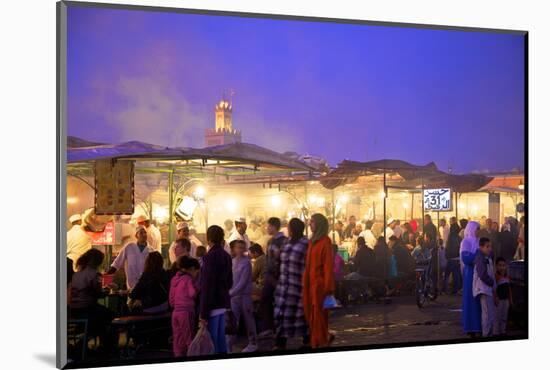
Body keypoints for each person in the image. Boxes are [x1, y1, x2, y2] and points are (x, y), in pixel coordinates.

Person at [274, 218, 310, 350]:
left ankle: (307, 341)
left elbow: (310, 264)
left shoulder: (306, 243)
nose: (287, 229)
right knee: (281, 315)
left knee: (301, 316)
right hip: (284, 286)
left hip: (299, 286)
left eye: (289, 227)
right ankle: (280, 344)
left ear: (294, 229)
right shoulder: (287, 242)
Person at [69, 249, 115, 350]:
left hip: (74, 311)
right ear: (97, 261)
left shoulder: (76, 274)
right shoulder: (94, 274)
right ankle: (107, 347)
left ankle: (85, 343)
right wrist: (108, 288)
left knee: (102, 317)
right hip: (88, 309)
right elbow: (99, 294)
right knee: (111, 316)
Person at [303, 213, 335, 348]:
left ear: (319, 224)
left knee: (319, 314)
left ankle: (320, 341)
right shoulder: (312, 241)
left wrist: (328, 288)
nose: (310, 224)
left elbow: (328, 266)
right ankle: (319, 339)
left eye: (312, 222)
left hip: (320, 285)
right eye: (310, 222)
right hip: (310, 283)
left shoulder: (325, 242)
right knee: (312, 313)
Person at [199, 225, 232, 354]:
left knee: (212, 343)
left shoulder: (209, 257)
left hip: (212, 306)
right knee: (221, 340)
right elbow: (230, 282)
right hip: (222, 303)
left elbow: (207, 287)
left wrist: (203, 313)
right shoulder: (226, 256)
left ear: (208, 239)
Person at [226, 240, 258, 353]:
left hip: (244, 296)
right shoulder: (232, 261)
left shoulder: (247, 263)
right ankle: (228, 344)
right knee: (232, 321)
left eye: (242, 247)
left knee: (249, 320)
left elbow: (243, 282)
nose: (240, 249)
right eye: (238, 247)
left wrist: (230, 293)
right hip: (234, 298)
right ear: (234, 249)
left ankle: (253, 343)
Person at [258, 217, 286, 337]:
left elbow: (279, 259)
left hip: (277, 276)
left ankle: (278, 328)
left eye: (268, 226)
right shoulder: (271, 241)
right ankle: (270, 327)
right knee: (267, 300)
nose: (266, 228)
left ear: (274, 227)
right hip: (270, 276)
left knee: (277, 302)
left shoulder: (282, 241)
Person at [169, 256, 200, 357]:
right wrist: (197, 288)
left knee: (177, 337)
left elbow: (171, 299)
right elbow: (192, 294)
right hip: (186, 311)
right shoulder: (188, 279)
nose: (196, 274)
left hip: (175, 312)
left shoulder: (174, 279)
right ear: (191, 269)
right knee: (189, 337)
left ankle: (178, 355)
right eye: (196, 272)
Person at [107, 226, 153, 290]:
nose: (144, 235)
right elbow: (117, 263)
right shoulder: (129, 247)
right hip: (131, 287)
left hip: (146, 287)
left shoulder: (151, 251)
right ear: (136, 236)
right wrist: (107, 275)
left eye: (145, 233)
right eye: (141, 233)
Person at [460, 221, 482, 336]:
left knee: (479, 301)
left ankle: (479, 326)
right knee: (470, 300)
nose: (479, 231)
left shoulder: (480, 241)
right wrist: (479, 255)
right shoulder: (466, 242)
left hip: (480, 275)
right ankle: (470, 327)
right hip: (470, 275)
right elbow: (466, 258)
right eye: (477, 228)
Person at [473, 237, 496, 337]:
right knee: (487, 315)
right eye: (487, 247)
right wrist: (491, 282)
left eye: (490, 246)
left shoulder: (485, 256)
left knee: (489, 313)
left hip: (487, 288)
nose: (489, 249)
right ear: (481, 247)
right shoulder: (480, 258)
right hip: (484, 288)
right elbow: (482, 274)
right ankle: (486, 334)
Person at [494, 257, 513, 336]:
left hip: (506, 300)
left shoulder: (507, 277)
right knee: (497, 317)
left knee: (504, 317)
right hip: (499, 301)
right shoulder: (495, 277)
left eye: (503, 265)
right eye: (500, 265)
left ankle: (503, 331)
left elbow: (509, 289)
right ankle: (496, 332)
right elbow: (494, 289)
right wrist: (496, 297)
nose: (502, 267)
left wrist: (510, 300)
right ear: (496, 266)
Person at [443, 218, 462, 294]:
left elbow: (448, 247)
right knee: (456, 274)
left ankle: (445, 289)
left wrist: (447, 255)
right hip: (457, 257)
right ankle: (456, 289)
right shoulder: (459, 237)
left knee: (447, 274)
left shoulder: (451, 236)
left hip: (451, 258)